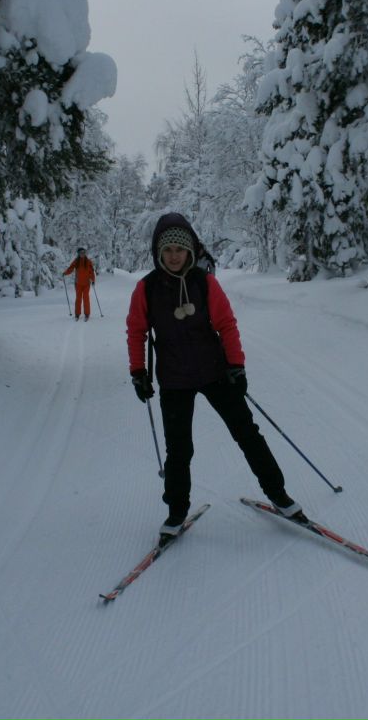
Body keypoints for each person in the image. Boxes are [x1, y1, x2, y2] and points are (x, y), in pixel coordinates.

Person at [126, 213, 304, 542]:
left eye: (180, 248)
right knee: (178, 450)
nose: (175, 255)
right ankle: (176, 511)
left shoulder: (204, 282)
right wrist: (138, 372)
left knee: (247, 433)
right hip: (174, 379)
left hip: (215, 372)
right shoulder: (146, 289)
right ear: (158, 253)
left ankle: (279, 495)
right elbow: (136, 332)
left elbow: (227, 324)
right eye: (168, 251)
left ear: (191, 250)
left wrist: (236, 365)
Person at [63, 248, 96, 321]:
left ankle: (87, 314)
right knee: (78, 299)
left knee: (86, 299)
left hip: (86, 284)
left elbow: (91, 272)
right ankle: (77, 314)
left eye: (84, 252)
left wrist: (93, 280)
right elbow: (70, 268)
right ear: (78, 253)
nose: (82, 254)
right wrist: (65, 273)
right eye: (81, 253)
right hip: (78, 284)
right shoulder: (76, 261)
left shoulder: (88, 261)